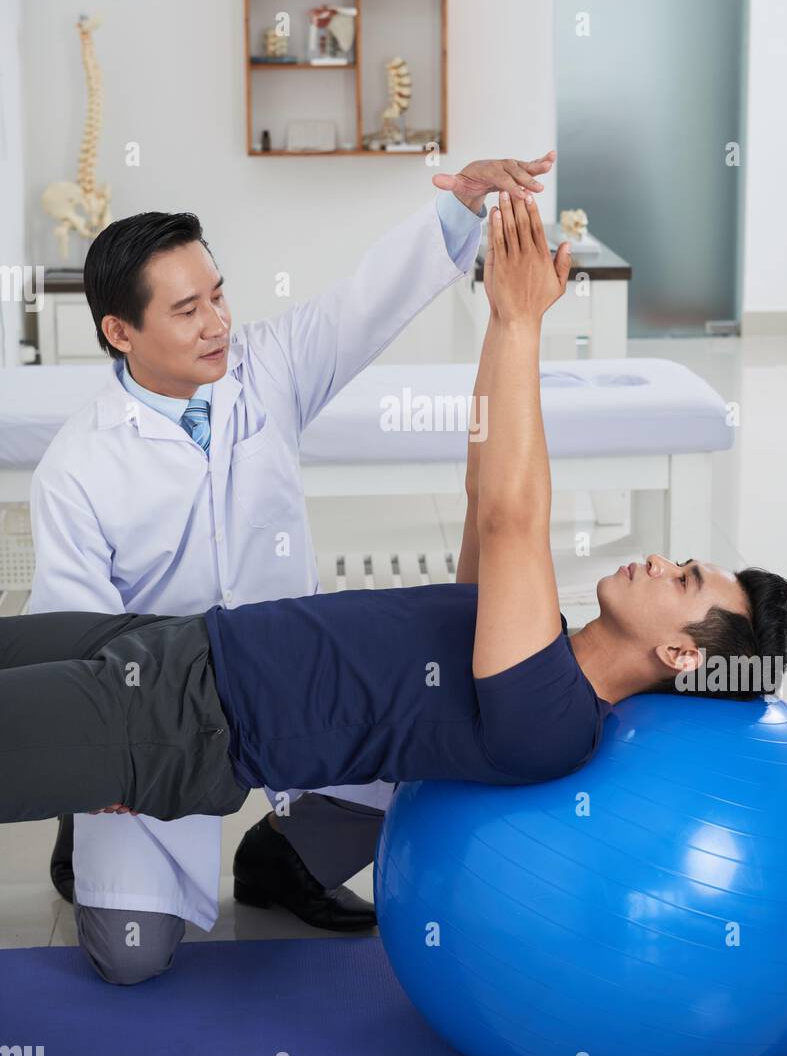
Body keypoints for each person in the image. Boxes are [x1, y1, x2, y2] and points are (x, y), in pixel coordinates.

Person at [2, 190, 787, 824]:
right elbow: (485, 488)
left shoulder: (554, 720)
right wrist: (500, 319)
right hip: (180, 639)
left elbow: (510, 519)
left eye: (685, 579)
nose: (664, 560)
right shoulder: (536, 638)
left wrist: (524, 324)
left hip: (183, 719)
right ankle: (285, 865)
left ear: (682, 656)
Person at [29, 149, 556, 985]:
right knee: (131, 962)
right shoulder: (77, 466)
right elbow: (75, 628)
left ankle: (279, 861)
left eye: (219, 296)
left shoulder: (265, 369)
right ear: (119, 332)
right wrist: (100, 766)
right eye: (187, 311)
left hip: (300, 680)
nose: (217, 325)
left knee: (422, 736)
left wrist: (459, 208)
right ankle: (85, 834)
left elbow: (362, 306)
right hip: (163, 714)